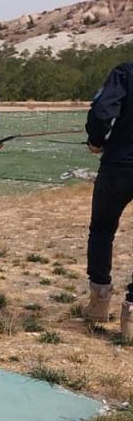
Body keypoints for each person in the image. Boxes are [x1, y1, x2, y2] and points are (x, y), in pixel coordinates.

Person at [83, 60, 133, 338]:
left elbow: (102, 111)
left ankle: (99, 303)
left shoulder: (125, 72)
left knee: (102, 230)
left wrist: (96, 141)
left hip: (119, 165)